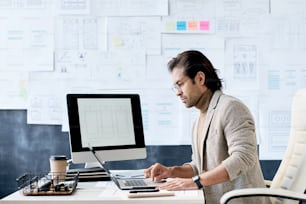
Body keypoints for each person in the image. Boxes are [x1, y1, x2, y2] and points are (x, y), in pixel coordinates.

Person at [144, 50, 271, 204]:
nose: (178, 93)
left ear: (200, 78)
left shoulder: (231, 108)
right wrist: (170, 171)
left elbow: (243, 158)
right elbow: (199, 167)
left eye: (180, 84)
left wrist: (197, 181)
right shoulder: (199, 120)